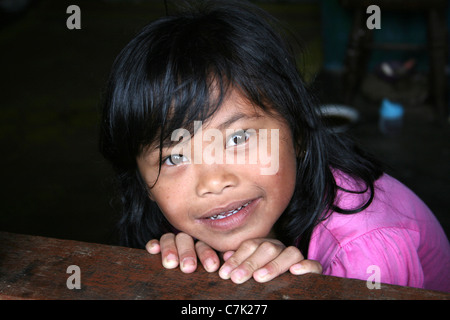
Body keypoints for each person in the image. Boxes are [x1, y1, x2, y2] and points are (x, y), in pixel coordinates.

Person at [99, 0, 450, 291]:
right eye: (174, 156)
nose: (213, 181)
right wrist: (197, 266)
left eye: (238, 139)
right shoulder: (196, 228)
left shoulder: (367, 251)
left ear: (297, 134)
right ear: (143, 183)